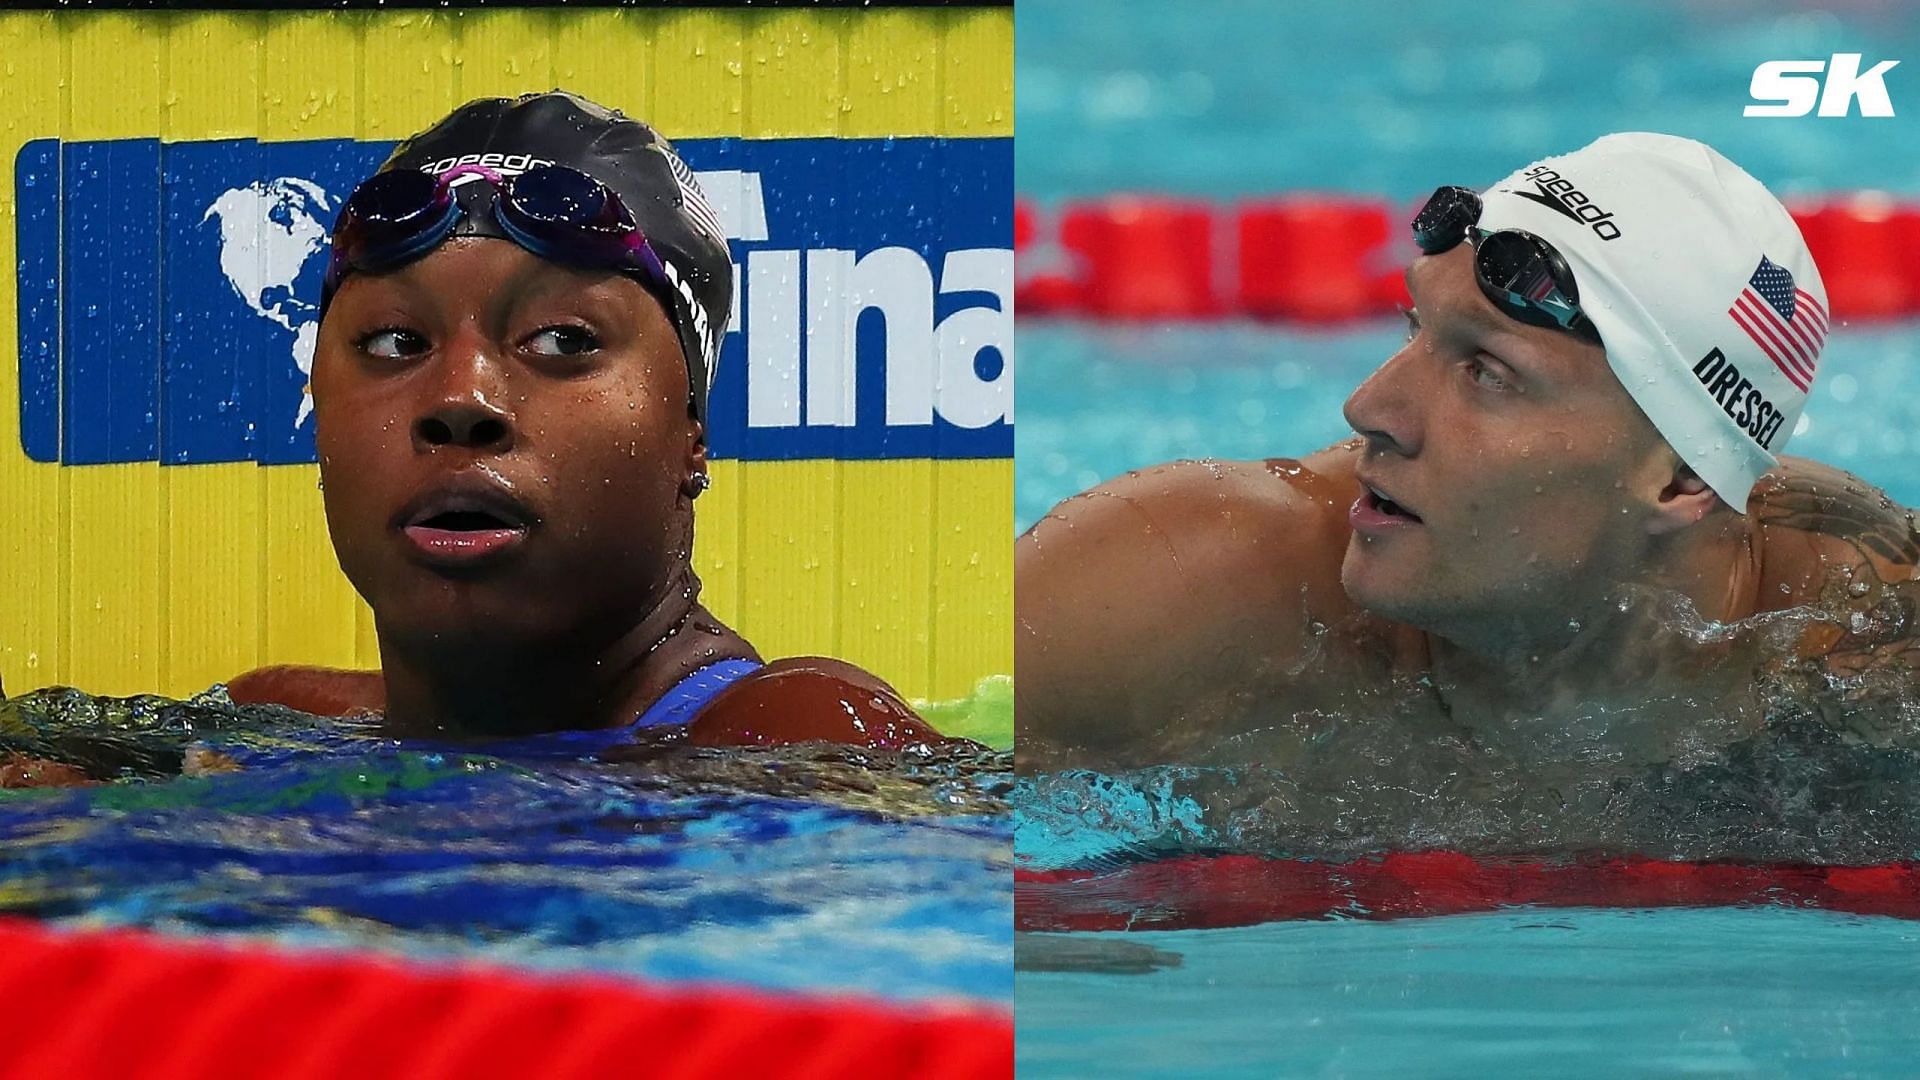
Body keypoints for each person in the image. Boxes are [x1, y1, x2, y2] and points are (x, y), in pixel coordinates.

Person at [1017, 132, 1920, 772]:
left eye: (1489, 372)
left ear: (1682, 476)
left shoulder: (1861, 640)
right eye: (1416, 328)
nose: (1371, 408)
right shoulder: (1187, 587)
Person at [228, 91, 948, 751]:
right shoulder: (256, 731)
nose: (460, 400)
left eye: (562, 340)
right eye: (395, 342)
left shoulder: (804, 738)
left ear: (690, 433)